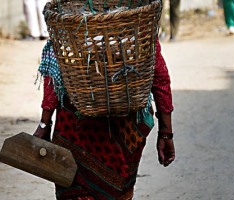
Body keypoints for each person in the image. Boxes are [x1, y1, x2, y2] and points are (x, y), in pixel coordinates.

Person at [33, 35, 175, 199]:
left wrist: (45, 123)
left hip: (75, 127)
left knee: (73, 188)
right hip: (124, 128)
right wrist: (166, 132)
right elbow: (159, 75)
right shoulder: (137, 18)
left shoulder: (67, 15)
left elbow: (54, 71)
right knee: (118, 191)